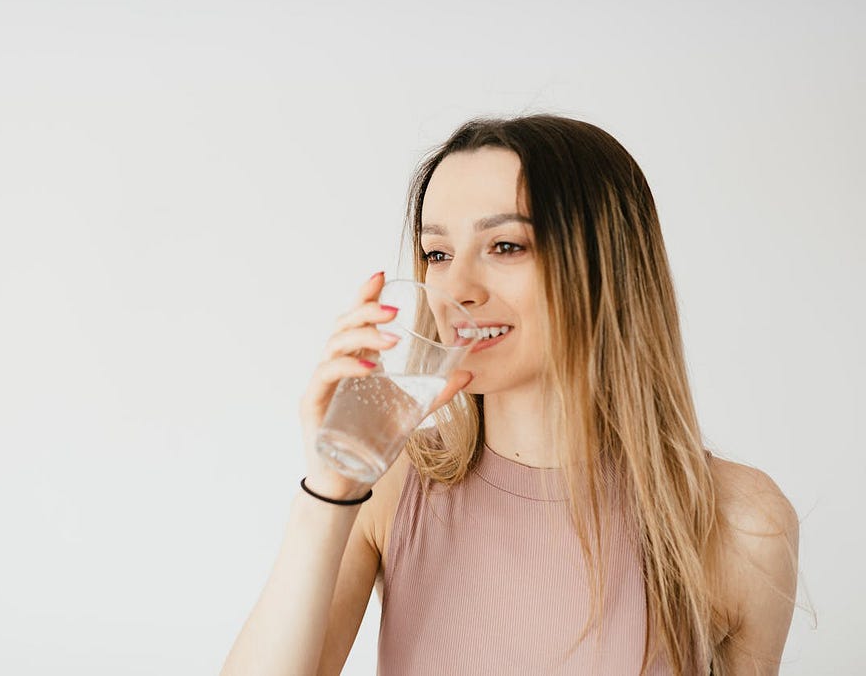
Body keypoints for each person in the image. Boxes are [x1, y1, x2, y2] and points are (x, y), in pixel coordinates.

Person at [220, 114, 801, 675]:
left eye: (505, 246)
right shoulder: (392, 486)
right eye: (437, 254)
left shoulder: (739, 523)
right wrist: (329, 489)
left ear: (608, 264)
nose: (457, 289)